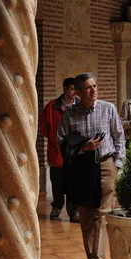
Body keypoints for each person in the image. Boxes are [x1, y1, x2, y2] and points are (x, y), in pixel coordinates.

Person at [57, 73, 125, 259]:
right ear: (77, 93)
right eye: (88, 87)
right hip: (82, 168)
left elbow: (119, 137)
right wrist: (83, 148)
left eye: (95, 86)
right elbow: (61, 142)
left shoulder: (108, 109)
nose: (93, 90)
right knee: (86, 215)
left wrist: (117, 164)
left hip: (105, 165)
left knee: (101, 215)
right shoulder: (69, 114)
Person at [40, 77, 79, 222]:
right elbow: (44, 126)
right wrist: (53, 139)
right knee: (57, 180)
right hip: (56, 150)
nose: (74, 92)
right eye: (71, 88)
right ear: (64, 88)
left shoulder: (79, 106)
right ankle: (56, 207)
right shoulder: (52, 106)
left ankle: (73, 210)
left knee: (73, 182)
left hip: (74, 152)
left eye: (76, 89)